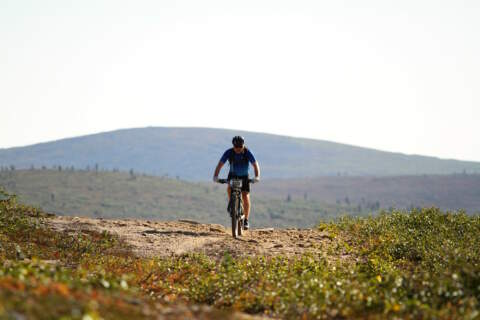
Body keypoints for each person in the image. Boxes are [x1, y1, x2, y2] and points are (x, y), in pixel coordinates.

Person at [213, 136, 260, 230]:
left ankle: (246, 220)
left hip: (244, 176)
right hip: (233, 176)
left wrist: (257, 176)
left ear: (243, 145)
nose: (238, 149)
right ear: (233, 146)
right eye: (236, 147)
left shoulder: (247, 152)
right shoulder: (229, 152)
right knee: (229, 189)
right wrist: (216, 176)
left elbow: (255, 165)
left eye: (240, 147)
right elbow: (220, 165)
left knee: (245, 196)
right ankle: (233, 204)